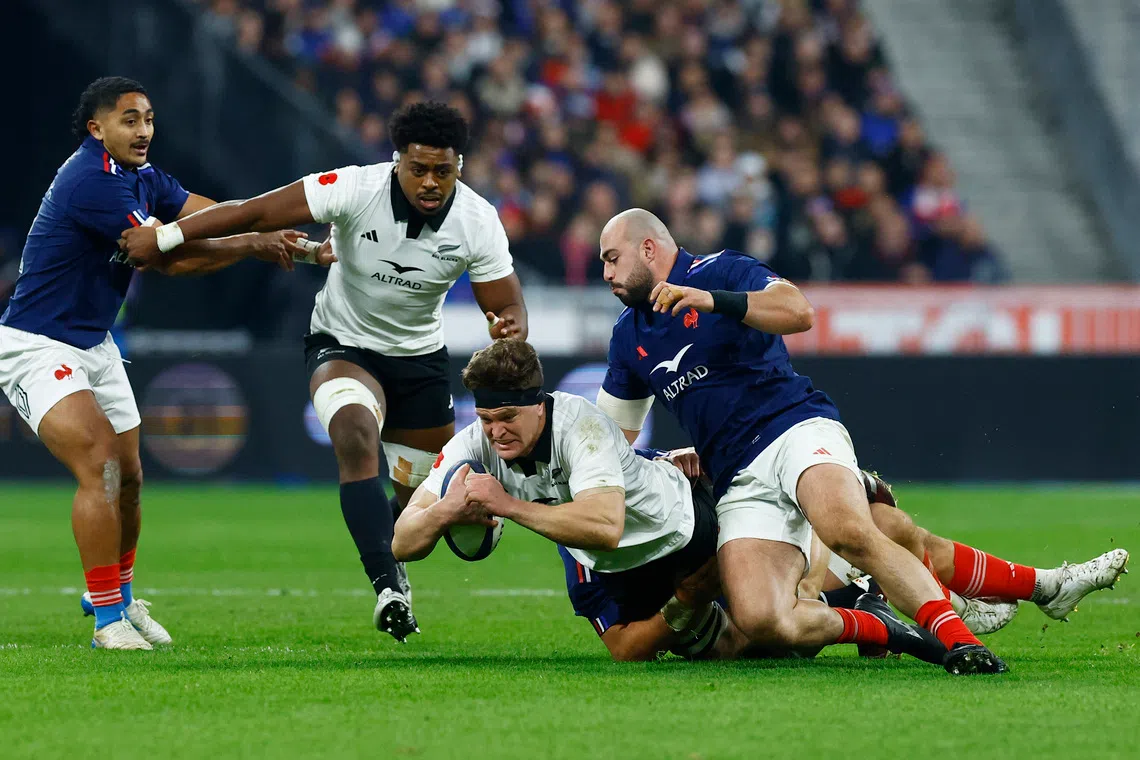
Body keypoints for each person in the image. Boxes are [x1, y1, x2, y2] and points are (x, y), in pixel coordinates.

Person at [119, 102, 528, 642]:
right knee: (354, 434)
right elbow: (255, 213)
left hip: (421, 362)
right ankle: (387, 588)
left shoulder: (477, 221)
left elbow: (509, 307)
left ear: (460, 166)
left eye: (443, 171)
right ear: (396, 161)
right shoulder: (355, 188)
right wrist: (166, 236)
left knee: (420, 519)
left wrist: (507, 328)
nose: (430, 182)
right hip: (342, 342)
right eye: (418, 169)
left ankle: (396, 552)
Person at [594, 208, 1005, 675]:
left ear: (648, 248)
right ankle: (876, 619)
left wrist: (712, 301)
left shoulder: (721, 269)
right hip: (737, 477)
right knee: (761, 618)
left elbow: (799, 312)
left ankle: (962, 642)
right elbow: (611, 439)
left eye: (612, 258)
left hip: (793, 427)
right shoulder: (628, 336)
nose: (606, 273)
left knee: (847, 530)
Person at [391, 339, 945, 667]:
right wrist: (446, 511)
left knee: (782, 609)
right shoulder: (475, 448)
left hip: (686, 525)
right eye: (487, 420)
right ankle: (861, 602)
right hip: (614, 560)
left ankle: (844, 551)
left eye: (508, 417)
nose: (497, 432)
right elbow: (402, 541)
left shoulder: (580, 424)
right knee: (742, 650)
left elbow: (605, 524)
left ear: (539, 405)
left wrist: (505, 506)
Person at [0, 77, 307, 650]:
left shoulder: (144, 178)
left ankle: (114, 593)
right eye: (129, 120)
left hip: (95, 342)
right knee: (100, 463)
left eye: (148, 120)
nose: (143, 131)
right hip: (37, 344)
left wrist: (273, 231)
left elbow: (209, 216)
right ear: (98, 129)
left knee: (132, 477)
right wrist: (252, 246)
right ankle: (107, 623)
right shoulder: (92, 180)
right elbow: (166, 258)